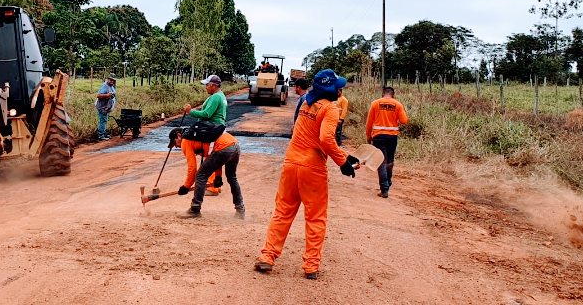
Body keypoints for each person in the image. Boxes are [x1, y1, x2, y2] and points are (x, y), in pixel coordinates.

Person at [255, 69, 360, 280]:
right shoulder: (330, 109)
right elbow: (325, 139)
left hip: (291, 164)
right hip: (312, 168)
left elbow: (304, 134)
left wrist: (345, 156)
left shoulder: (306, 104)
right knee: (315, 217)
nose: (341, 89)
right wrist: (342, 163)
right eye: (338, 86)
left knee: (282, 212)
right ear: (330, 88)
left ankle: (267, 257)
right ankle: (311, 266)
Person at [169, 128, 245, 219]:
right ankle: (240, 210)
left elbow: (192, 167)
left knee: (200, 176)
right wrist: (218, 176)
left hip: (223, 147)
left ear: (179, 136)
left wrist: (186, 186)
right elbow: (214, 156)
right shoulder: (197, 137)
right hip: (234, 144)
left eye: (174, 142)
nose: (176, 146)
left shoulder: (185, 141)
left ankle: (195, 210)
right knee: (232, 177)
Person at [183, 75, 227, 194]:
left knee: (208, 157)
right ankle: (214, 184)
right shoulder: (221, 96)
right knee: (212, 157)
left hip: (211, 128)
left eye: (207, 85)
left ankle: (211, 187)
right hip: (217, 128)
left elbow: (207, 114)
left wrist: (191, 112)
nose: (206, 87)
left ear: (213, 85)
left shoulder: (215, 97)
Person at [366, 86, 409, 198]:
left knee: (381, 161)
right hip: (392, 137)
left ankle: (384, 189)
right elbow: (404, 121)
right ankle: (388, 184)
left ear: (382, 94)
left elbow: (369, 121)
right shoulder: (398, 104)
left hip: (378, 137)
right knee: (389, 161)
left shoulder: (376, 103)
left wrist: (368, 135)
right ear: (393, 95)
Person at [95, 73, 117, 141]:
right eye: (111, 80)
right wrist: (107, 95)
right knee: (103, 120)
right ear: (108, 79)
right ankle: (101, 135)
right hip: (102, 107)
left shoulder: (111, 86)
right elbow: (98, 95)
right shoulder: (104, 86)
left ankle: (103, 133)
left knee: (105, 120)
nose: (112, 81)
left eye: (113, 80)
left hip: (106, 107)